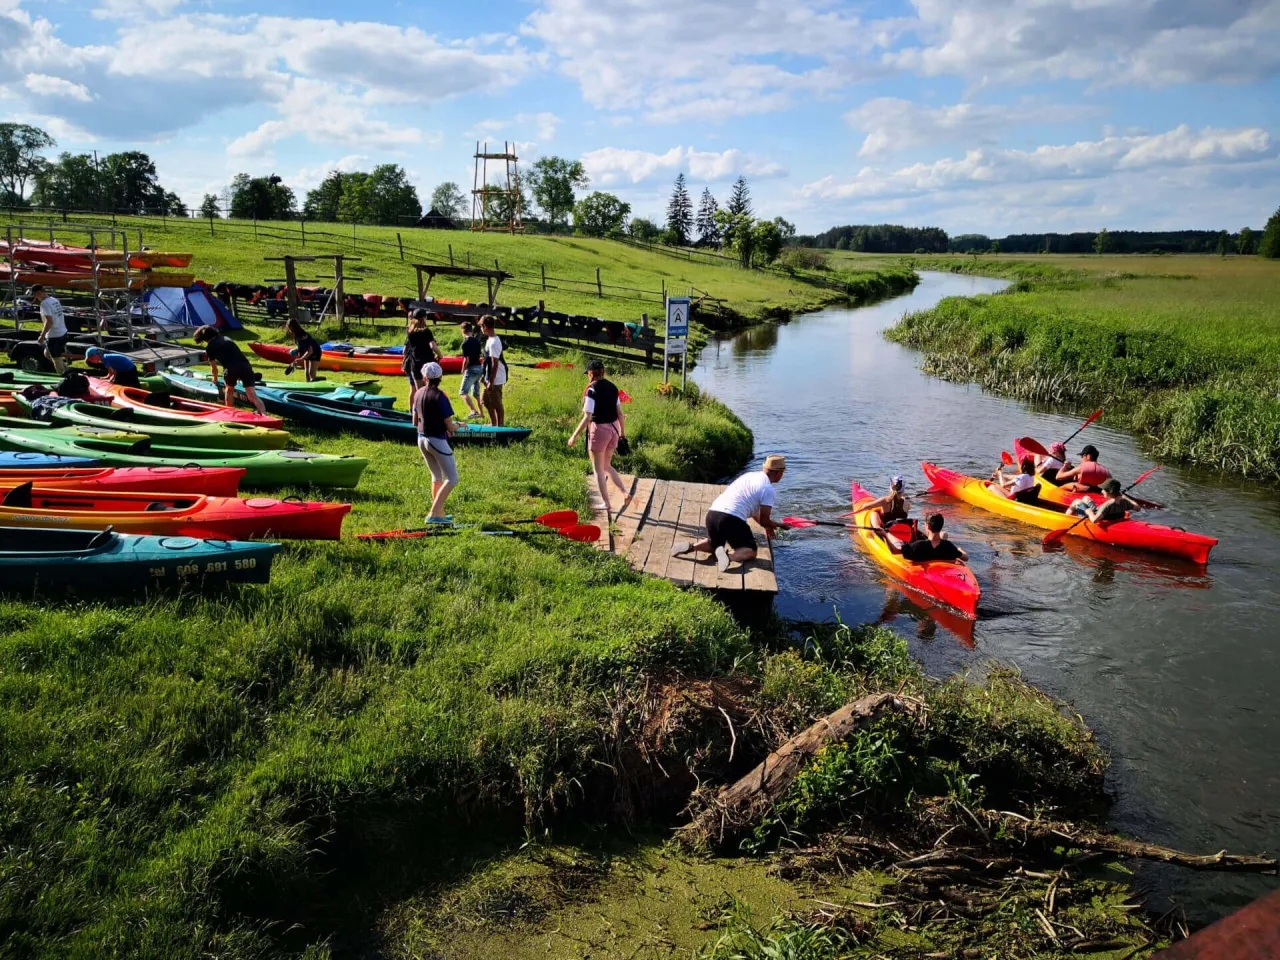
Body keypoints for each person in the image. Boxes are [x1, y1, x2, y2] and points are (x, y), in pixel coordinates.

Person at [671, 455, 786, 572]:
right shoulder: (768, 489)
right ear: (778, 473)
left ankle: (691, 547)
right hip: (731, 518)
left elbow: (755, 513)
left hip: (713, 513)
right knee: (751, 550)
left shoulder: (749, 476)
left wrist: (768, 527)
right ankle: (728, 556)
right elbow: (764, 520)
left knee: (713, 544)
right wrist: (781, 525)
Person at [568, 359, 631, 517]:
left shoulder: (591, 390)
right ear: (603, 372)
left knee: (597, 469)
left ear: (590, 373)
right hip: (614, 429)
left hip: (599, 430)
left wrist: (574, 436)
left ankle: (606, 504)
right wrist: (622, 433)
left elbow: (588, 417)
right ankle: (625, 492)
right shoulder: (613, 387)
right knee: (606, 465)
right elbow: (620, 413)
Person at [411, 361, 459, 524]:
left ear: (424, 377)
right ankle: (433, 514)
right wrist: (459, 425)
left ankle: (440, 512)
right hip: (436, 440)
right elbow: (450, 426)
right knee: (452, 479)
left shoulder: (417, 393)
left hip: (421, 439)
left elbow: (414, 422)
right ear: (440, 377)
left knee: (436, 476)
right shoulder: (440, 396)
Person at [192, 325, 267, 416]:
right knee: (252, 395)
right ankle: (264, 415)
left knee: (229, 390)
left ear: (203, 338)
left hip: (231, 368)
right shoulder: (226, 338)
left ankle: (230, 413)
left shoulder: (210, 348)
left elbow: (214, 368)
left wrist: (215, 379)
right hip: (245, 365)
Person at [902, 513, 969, 563]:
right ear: (941, 526)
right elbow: (966, 558)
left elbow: (895, 550)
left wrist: (891, 536)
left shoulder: (918, 546)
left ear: (928, 526)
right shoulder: (949, 547)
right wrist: (959, 549)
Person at [31, 285, 68, 375]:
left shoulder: (44, 303)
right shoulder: (54, 300)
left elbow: (49, 321)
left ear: (39, 293)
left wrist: (42, 335)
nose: (35, 297)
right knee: (47, 353)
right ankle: (67, 370)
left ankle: (63, 377)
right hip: (63, 332)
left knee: (56, 358)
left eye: (35, 295)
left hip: (54, 335)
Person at [403, 309, 443, 391]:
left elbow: (406, 348)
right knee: (430, 388)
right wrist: (440, 355)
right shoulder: (426, 331)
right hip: (427, 362)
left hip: (415, 363)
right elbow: (433, 346)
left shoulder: (409, 331)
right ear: (424, 318)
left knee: (419, 391)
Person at [1067, 478, 1139, 522]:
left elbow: (1094, 520)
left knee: (1077, 501)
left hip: (1097, 517)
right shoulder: (1124, 501)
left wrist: (1088, 512)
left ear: (1109, 492)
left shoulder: (1108, 505)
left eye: (1103, 490)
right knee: (1086, 498)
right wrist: (1124, 497)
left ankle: (1065, 520)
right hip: (1106, 515)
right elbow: (1137, 508)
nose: (1101, 491)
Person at [480, 316, 507, 427]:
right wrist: (484, 375)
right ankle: (493, 423)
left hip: (496, 378)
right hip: (489, 375)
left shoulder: (494, 342)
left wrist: (491, 381)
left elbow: (494, 364)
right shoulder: (490, 340)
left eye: (481, 326)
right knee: (485, 400)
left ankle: (500, 426)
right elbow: (488, 362)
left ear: (485, 326)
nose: (481, 329)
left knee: (496, 403)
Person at [457, 321, 485, 420]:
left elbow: (466, 360)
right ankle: (481, 413)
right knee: (475, 393)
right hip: (479, 368)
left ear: (463, 330)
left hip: (472, 369)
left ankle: (473, 411)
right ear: (470, 330)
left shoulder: (465, 343)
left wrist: (462, 369)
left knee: (463, 392)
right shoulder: (477, 341)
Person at [284, 317, 322, 381]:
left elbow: (310, 351)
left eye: (289, 327)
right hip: (306, 352)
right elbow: (302, 347)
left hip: (315, 352)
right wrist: (297, 353)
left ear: (291, 328)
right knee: (306, 372)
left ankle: (320, 383)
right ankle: (308, 388)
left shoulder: (302, 336)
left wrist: (301, 359)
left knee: (311, 373)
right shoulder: (296, 335)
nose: (289, 329)